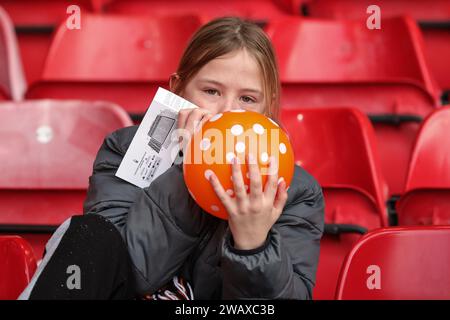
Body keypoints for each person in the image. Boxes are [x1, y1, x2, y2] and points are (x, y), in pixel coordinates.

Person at [19, 16, 324, 300]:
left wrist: (254, 247)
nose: (227, 112)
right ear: (178, 88)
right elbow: (128, 274)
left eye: (247, 99)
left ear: (267, 108)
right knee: (88, 233)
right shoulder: (125, 151)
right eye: (211, 91)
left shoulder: (294, 190)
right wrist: (189, 172)